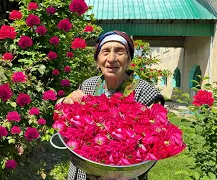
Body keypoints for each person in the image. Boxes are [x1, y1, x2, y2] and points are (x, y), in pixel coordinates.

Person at [61, 30, 165, 180]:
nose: (111, 58)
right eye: (105, 52)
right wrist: (65, 101)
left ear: (129, 60)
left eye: (119, 51)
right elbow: (67, 122)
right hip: (84, 171)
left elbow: (156, 145)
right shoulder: (88, 86)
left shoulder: (145, 92)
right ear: (97, 61)